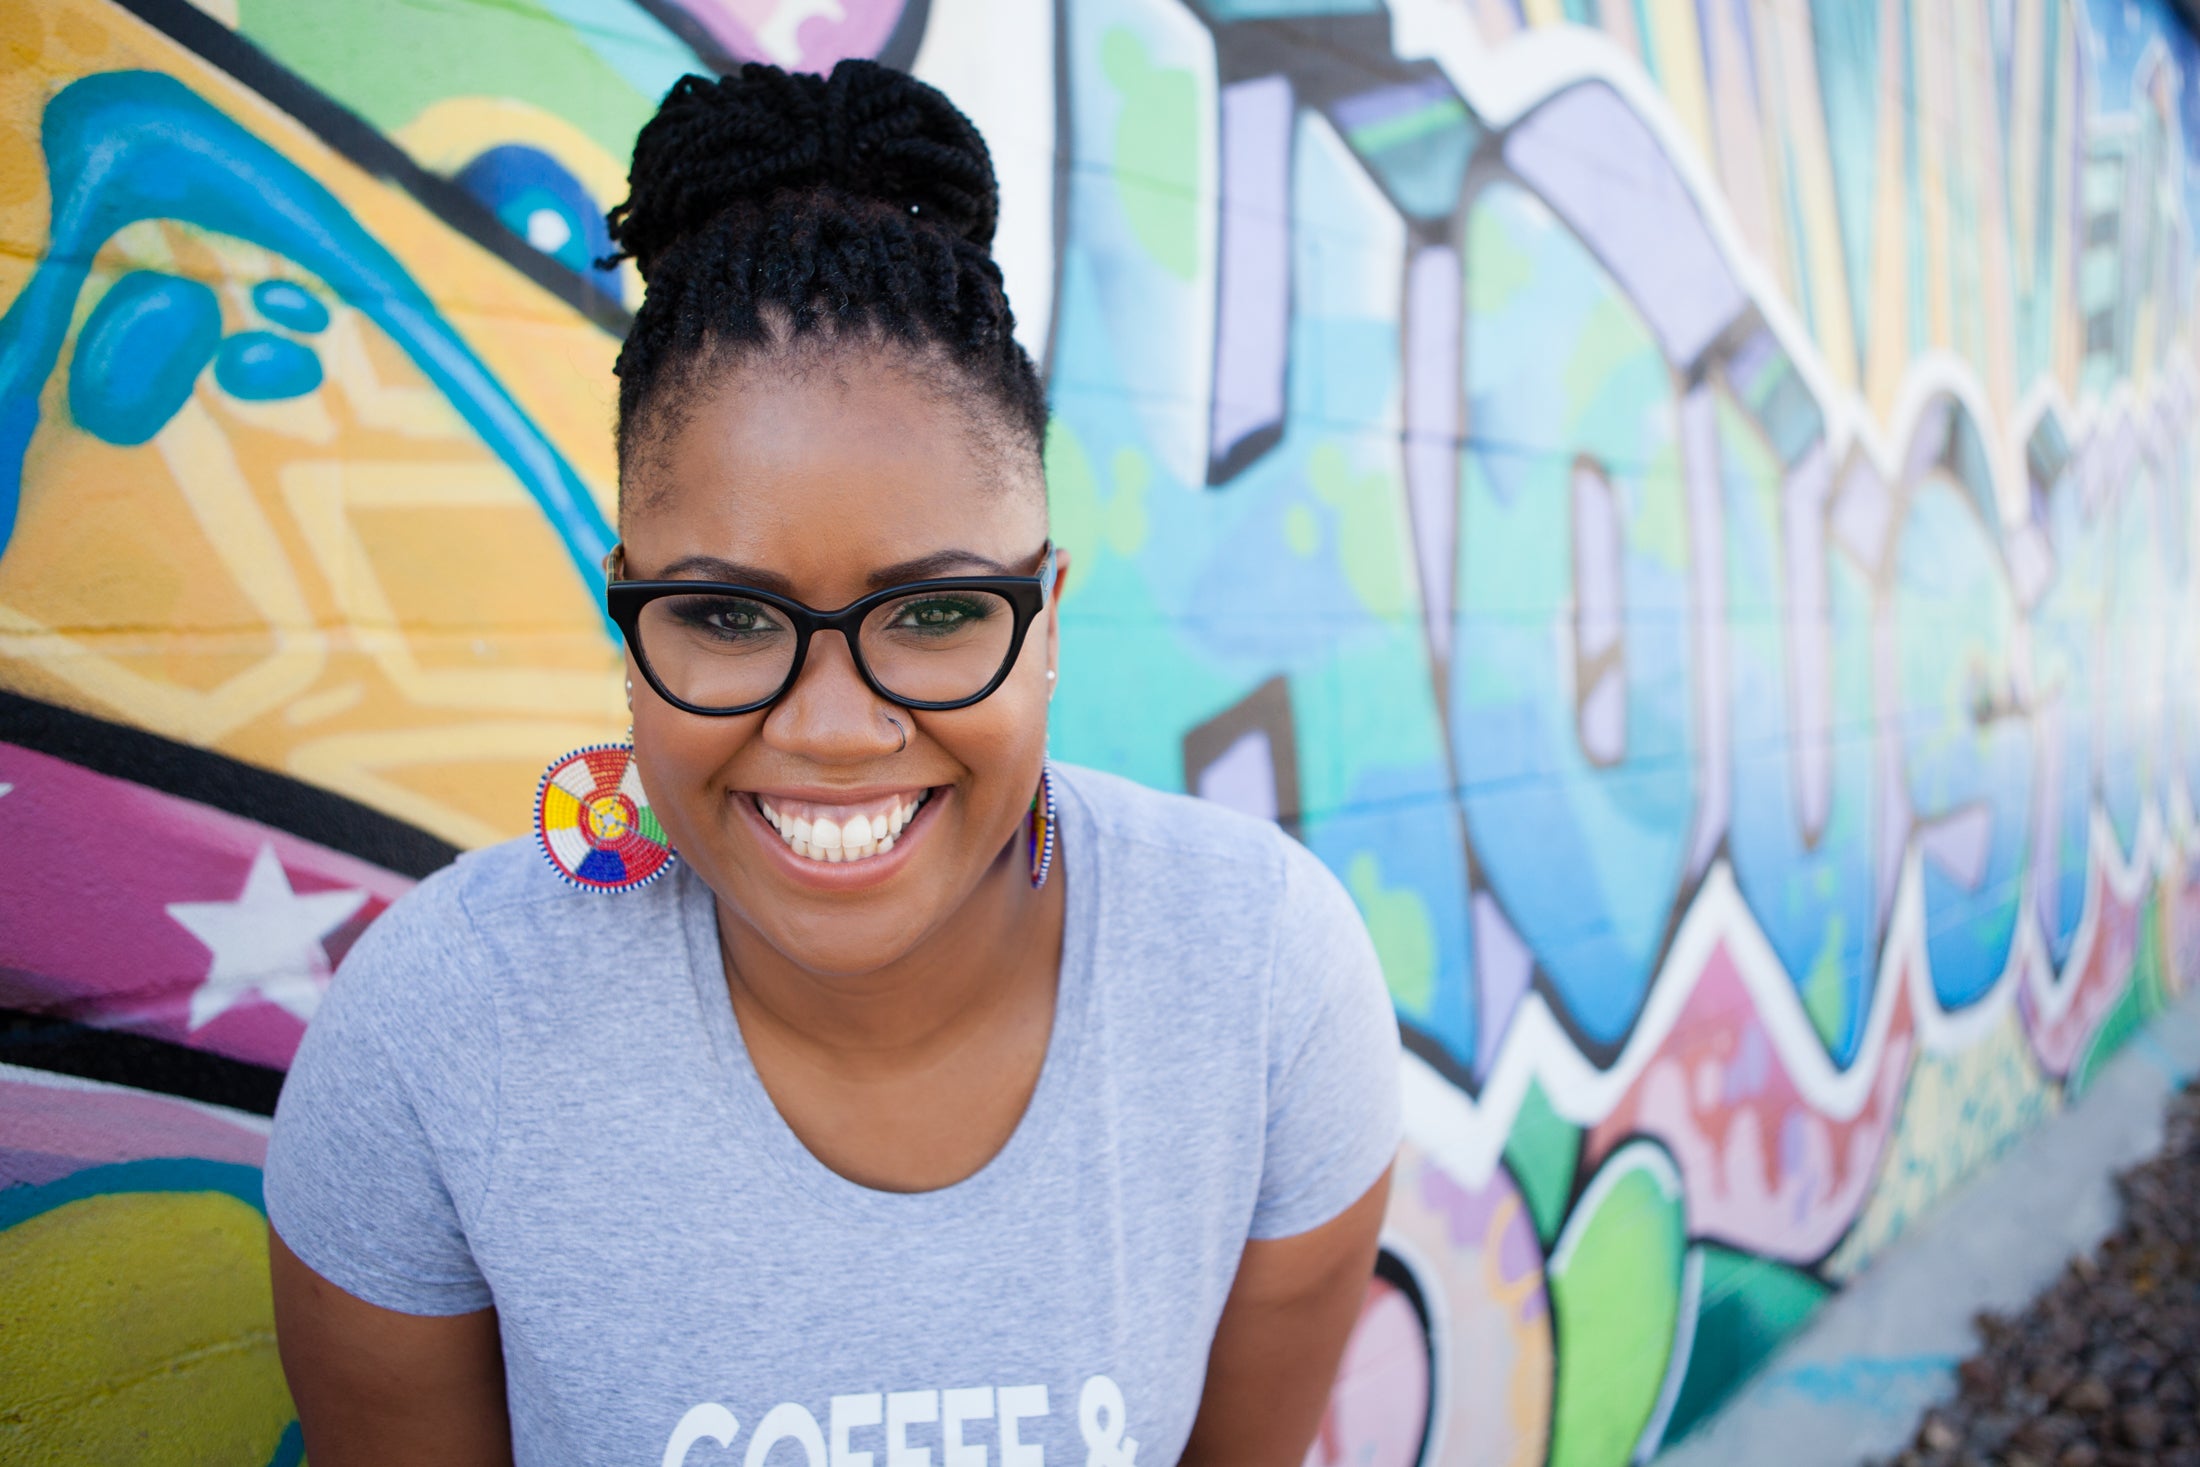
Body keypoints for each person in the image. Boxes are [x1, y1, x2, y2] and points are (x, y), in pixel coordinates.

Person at [264, 58, 1400, 1467]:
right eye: (729, 617)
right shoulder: (434, 1038)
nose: (832, 730)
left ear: (1045, 614)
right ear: (626, 612)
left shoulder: (1266, 980)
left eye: (932, 614)